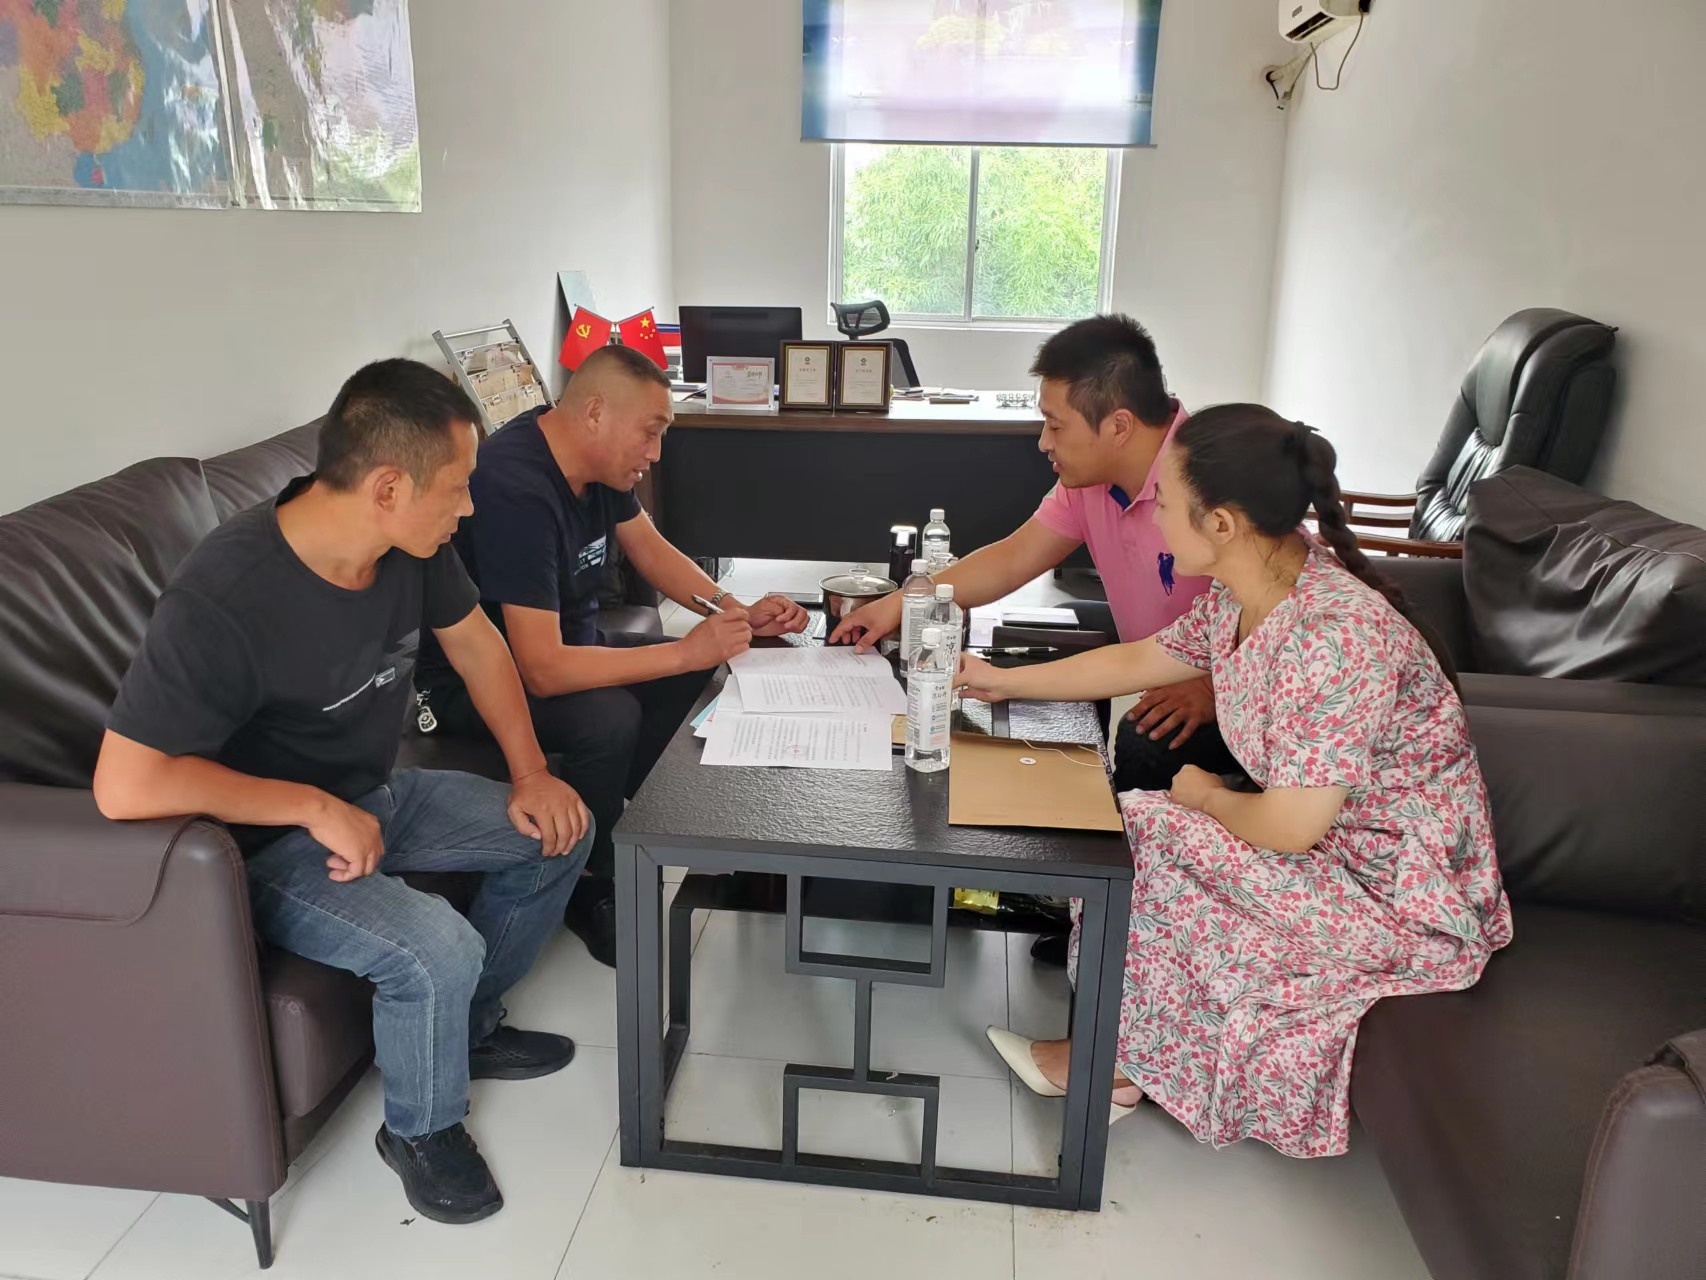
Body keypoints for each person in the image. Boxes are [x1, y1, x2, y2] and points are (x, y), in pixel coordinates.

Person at [93, 360, 595, 1226]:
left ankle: (465, 1029)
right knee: (436, 947)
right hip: (264, 848)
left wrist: (530, 773)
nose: (469, 508)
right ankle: (420, 1130)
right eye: (459, 488)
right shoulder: (225, 596)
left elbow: (476, 644)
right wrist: (310, 807)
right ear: (388, 488)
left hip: (376, 795)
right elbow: (124, 783)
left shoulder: (410, 545)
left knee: (559, 829)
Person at [962, 404, 1512, 1157]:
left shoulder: (1334, 636)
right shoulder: (1245, 594)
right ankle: (1117, 1057)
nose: (1153, 521)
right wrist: (1000, 681)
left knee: (1150, 826)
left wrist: (1210, 796)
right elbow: (1140, 660)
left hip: (1401, 897)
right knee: (1143, 827)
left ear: (1220, 523)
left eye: (1165, 504)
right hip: (1338, 850)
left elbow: (1291, 827)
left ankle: (1108, 1066)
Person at [832, 313, 1236, 964]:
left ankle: (1118, 940)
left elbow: (1277, 602)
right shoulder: (1093, 480)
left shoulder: (1210, 474)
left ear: (1118, 425)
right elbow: (1014, 557)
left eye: (1055, 425)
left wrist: (1218, 685)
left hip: (1239, 696)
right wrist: (898, 603)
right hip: (1161, 661)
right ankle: (1078, 898)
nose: (1043, 442)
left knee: (1145, 741)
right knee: (1055, 675)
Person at [415, 345, 808, 968]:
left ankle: (661, 825)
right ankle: (592, 883)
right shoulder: (514, 487)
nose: (656, 453)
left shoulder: (595, 464)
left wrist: (733, 610)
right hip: (471, 684)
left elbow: (650, 550)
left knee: (697, 674)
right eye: (650, 433)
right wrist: (683, 651)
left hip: (569, 646)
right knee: (610, 716)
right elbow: (542, 668)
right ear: (595, 413)